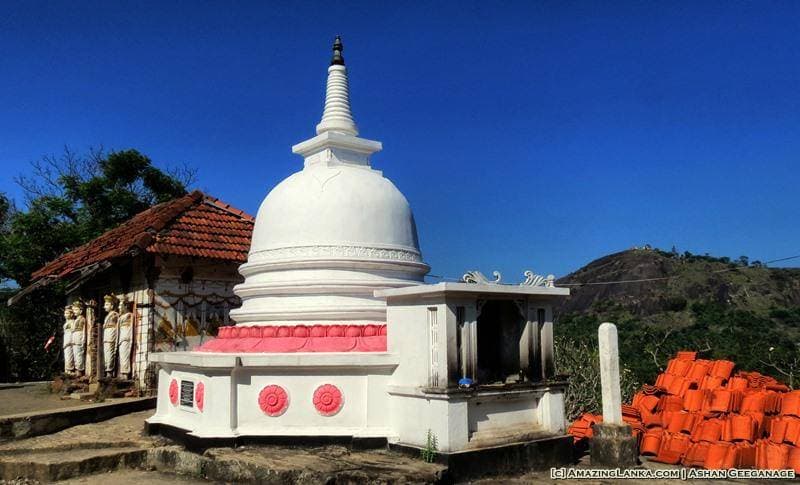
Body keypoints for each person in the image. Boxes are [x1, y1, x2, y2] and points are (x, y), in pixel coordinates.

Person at [101, 294, 119, 378]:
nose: (104, 306)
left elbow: (117, 326)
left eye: (107, 304)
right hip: (107, 335)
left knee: (110, 353)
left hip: (111, 334)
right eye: (105, 304)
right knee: (107, 353)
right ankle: (107, 369)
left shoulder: (114, 315)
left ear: (112, 305)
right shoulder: (108, 315)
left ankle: (109, 371)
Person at [117, 297, 134, 380]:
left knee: (125, 356)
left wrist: (129, 338)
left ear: (125, 306)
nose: (119, 307)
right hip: (121, 338)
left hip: (126, 338)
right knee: (122, 356)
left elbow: (130, 328)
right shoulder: (121, 317)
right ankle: (122, 372)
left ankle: (126, 373)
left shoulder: (129, 315)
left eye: (120, 305)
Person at [71, 300, 87, 376]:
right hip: (75, 337)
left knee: (79, 354)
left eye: (76, 309)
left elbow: (84, 329)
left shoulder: (82, 319)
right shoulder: (75, 319)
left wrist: (83, 339)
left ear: (81, 310)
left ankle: (79, 370)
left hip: (79, 336)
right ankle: (77, 368)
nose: (74, 311)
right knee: (75, 354)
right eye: (74, 310)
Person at [62, 305, 75, 375]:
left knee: (69, 356)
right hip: (66, 340)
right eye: (65, 313)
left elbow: (72, 332)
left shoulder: (72, 322)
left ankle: (70, 370)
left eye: (67, 313)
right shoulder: (67, 322)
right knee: (66, 356)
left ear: (71, 314)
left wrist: (69, 342)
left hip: (69, 341)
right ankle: (67, 370)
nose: (65, 315)